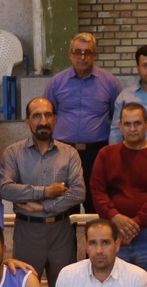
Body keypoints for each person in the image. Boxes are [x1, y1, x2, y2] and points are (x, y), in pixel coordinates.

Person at [0, 96, 85, 287]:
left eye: (48, 115)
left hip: (61, 231)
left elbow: (79, 192)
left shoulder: (69, 153)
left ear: (55, 118)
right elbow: (5, 188)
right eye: (37, 116)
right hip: (27, 231)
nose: (43, 121)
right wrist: (45, 192)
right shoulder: (13, 153)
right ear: (27, 120)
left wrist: (43, 206)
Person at [91, 102, 147, 268]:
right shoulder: (105, 154)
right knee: (114, 282)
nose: (132, 129)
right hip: (114, 233)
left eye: (137, 123)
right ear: (120, 126)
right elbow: (97, 191)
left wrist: (134, 224)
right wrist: (115, 217)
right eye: (127, 124)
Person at [45, 33, 122, 181]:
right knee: (64, 195)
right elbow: (47, 117)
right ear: (70, 54)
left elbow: (118, 119)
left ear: (94, 55)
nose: (82, 57)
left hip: (97, 153)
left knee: (96, 195)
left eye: (87, 52)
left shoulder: (110, 83)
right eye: (78, 52)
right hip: (62, 153)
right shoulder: (56, 83)